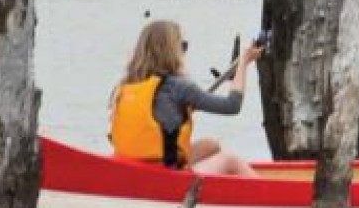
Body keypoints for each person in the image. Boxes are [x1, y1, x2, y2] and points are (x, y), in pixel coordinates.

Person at [110, 17, 263, 177]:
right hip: (164, 173)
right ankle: (267, 194)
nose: (184, 52)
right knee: (230, 161)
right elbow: (232, 105)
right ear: (171, 51)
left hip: (132, 165)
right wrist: (243, 62)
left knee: (211, 146)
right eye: (183, 46)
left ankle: (214, 195)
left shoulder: (126, 86)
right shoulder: (179, 87)